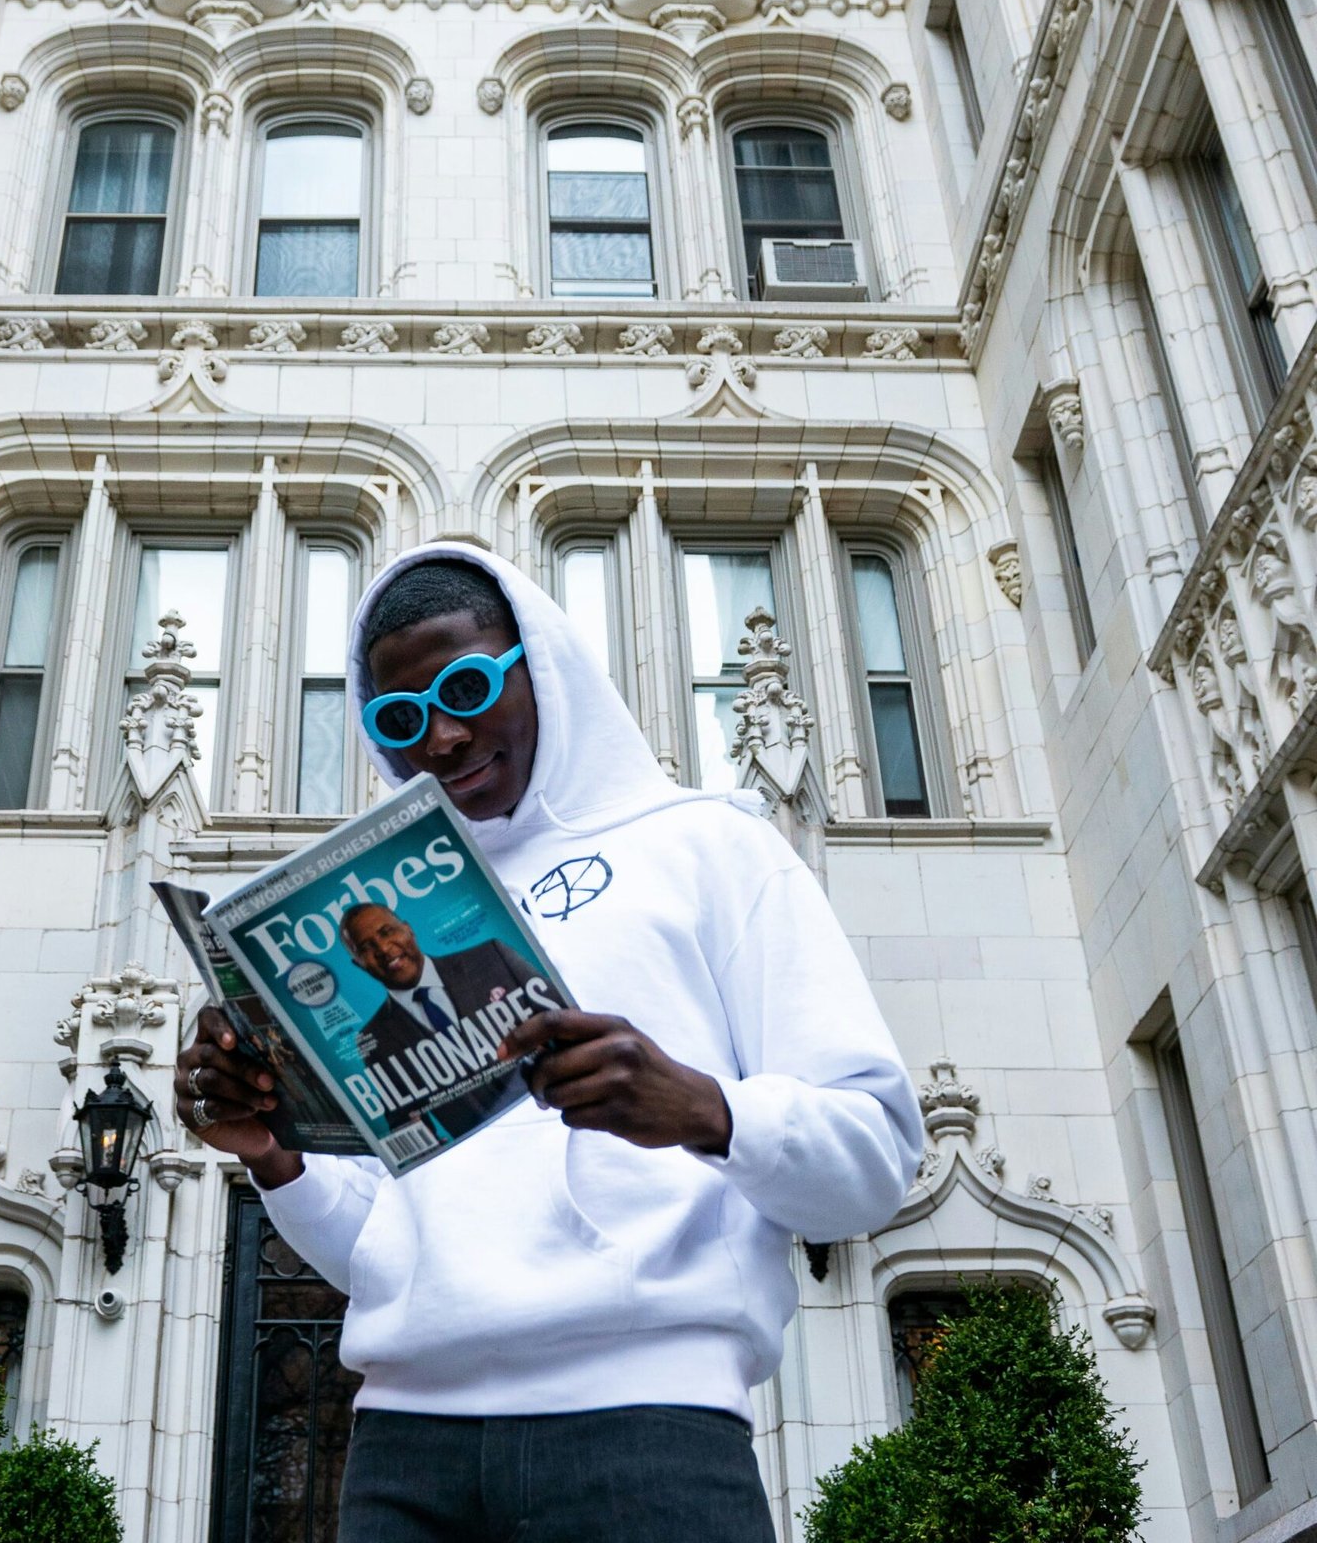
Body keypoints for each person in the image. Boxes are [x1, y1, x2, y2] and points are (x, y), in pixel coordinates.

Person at [176, 546, 922, 1543]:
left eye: (469, 686)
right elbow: (374, 1251)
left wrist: (704, 1107)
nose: (440, 737)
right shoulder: (379, 936)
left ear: (543, 662)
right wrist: (274, 1154)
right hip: (403, 1443)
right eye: (399, 718)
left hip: (647, 1430)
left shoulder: (710, 845)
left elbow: (872, 1161)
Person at [340, 902, 558, 1135]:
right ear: (359, 964)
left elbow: (563, 1015)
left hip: (556, 1107)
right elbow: (403, 1121)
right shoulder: (374, 1039)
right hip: (482, 1155)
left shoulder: (491, 956)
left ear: (408, 929)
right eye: (366, 947)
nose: (383, 948)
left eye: (387, 932)